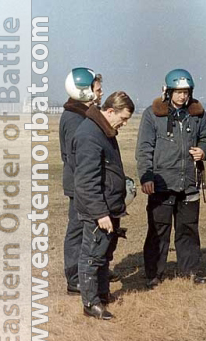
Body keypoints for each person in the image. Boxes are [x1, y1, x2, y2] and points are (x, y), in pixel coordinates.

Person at [136, 69, 206, 289]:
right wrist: (146, 176)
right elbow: (144, 149)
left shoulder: (198, 113)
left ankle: (189, 272)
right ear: (169, 91)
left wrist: (204, 150)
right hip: (161, 183)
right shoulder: (152, 114)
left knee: (188, 229)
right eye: (178, 92)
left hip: (189, 183)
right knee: (158, 230)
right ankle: (154, 273)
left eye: (186, 92)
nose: (182, 96)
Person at [72, 91, 135, 319]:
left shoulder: (105, 131)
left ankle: (102, 293)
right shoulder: (90, 135)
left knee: (104, 253)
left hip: (110, 205)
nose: (125, 124)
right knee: (92, 255)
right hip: (98, 210)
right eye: (124, 118)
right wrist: (100, 213)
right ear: (110, 111)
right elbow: (86, 181)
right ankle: (91, 304)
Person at [59, 67, 103, 295]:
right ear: (85, 91)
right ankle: (74, 278)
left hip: (81, 182)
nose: (101, 92)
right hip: (79, 184)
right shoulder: (75, 117)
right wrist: (88, 184)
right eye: (97, 89)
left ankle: (89, 271)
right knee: (77, 230)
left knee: (86, 229)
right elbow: (76, 156)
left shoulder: (83, 113)